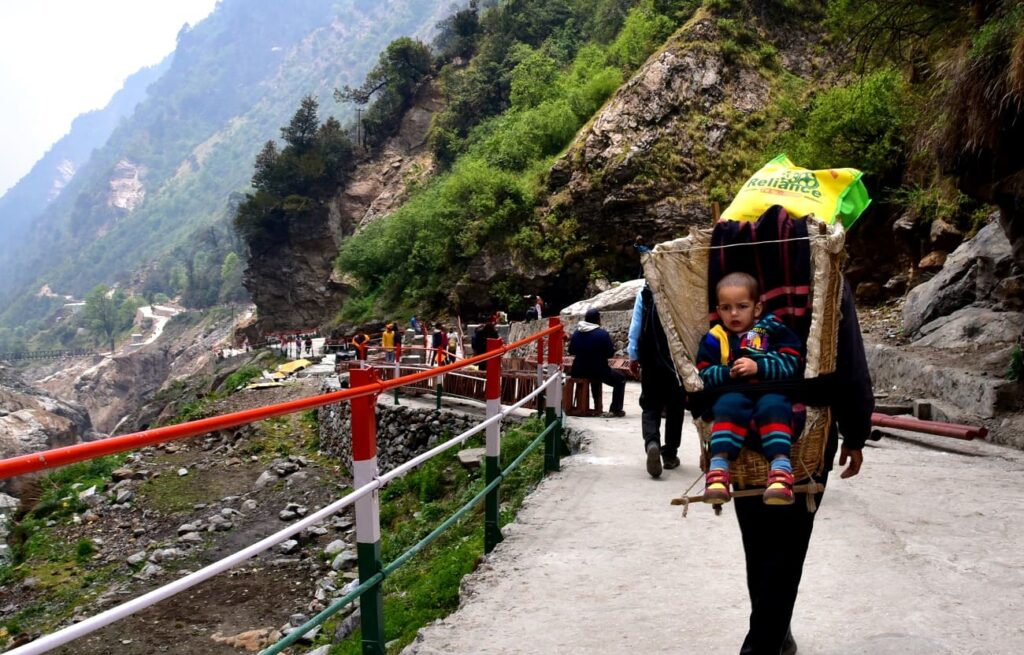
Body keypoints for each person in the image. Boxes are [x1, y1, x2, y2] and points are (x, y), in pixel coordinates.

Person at [696, 272, 804, 505]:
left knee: (774, 405)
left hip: (770, 390)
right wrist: (727, 373)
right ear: (718, 310)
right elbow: (703, 373)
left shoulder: (772, 329)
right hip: (734, 393)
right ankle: (718, 470)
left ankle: (781, 469)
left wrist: (759, 366)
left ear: (756, 308)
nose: (734, 313)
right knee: (727, 405)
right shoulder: (716, 338)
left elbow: (793, 361)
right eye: (726, 308)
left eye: (742, 306)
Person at [628, 284, 684, 478]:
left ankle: (652, 443)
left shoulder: (646, 292)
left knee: (650, 404)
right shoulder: (679, 285)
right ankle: (669, 454)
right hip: (676, 360)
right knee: (675, 406)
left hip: (650, 357)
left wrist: (633, 355)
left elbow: (636, 325)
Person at [568, 308, 626, 417]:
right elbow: (610, 353)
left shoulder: (576, 333)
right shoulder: (602, 334)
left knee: (594, 374)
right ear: (597, 320)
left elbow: (571, 350)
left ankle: (583, 405)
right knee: (620, 378)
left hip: (578, 370)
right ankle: (615, 409)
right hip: (598, 371)